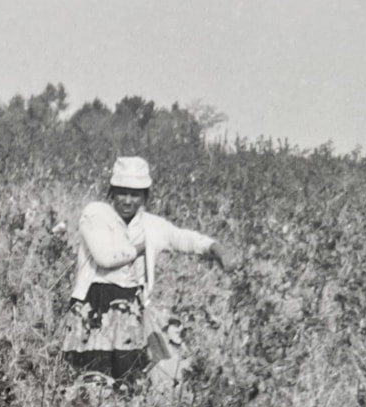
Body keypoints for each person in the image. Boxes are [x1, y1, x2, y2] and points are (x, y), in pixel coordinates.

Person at [62, 157, 237, 384]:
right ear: (112, 192)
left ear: (145, 196)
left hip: (129, 308)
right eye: (122, 193)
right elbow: (106, 257)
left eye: (135, 194)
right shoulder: (95, 214)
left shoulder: (150, 225)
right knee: (91, 378)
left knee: (127, 381)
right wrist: (143, 247)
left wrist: (216, 248)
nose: (127, 200)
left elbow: (181, 238)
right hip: (93, 304)